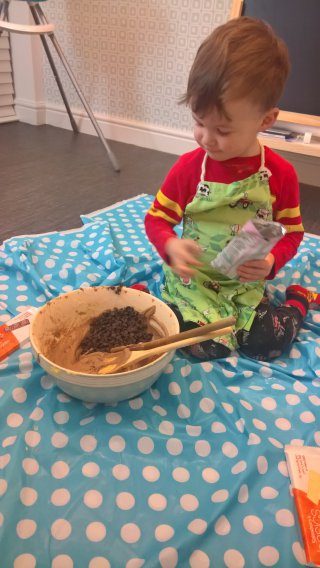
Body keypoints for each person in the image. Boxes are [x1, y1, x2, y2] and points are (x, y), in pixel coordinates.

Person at [145, 17, 319, 362]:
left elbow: (292, 233)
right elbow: (156, 220)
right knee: (187, 343)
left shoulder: (280, 175)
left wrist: (270, 262)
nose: (207, 138)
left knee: (268, 344)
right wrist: (170, 245)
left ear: (266, 120)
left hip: (243, 288)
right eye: (198, 122)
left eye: (222, 130)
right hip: (193, 285)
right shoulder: (190, 168)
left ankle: (299, 299)